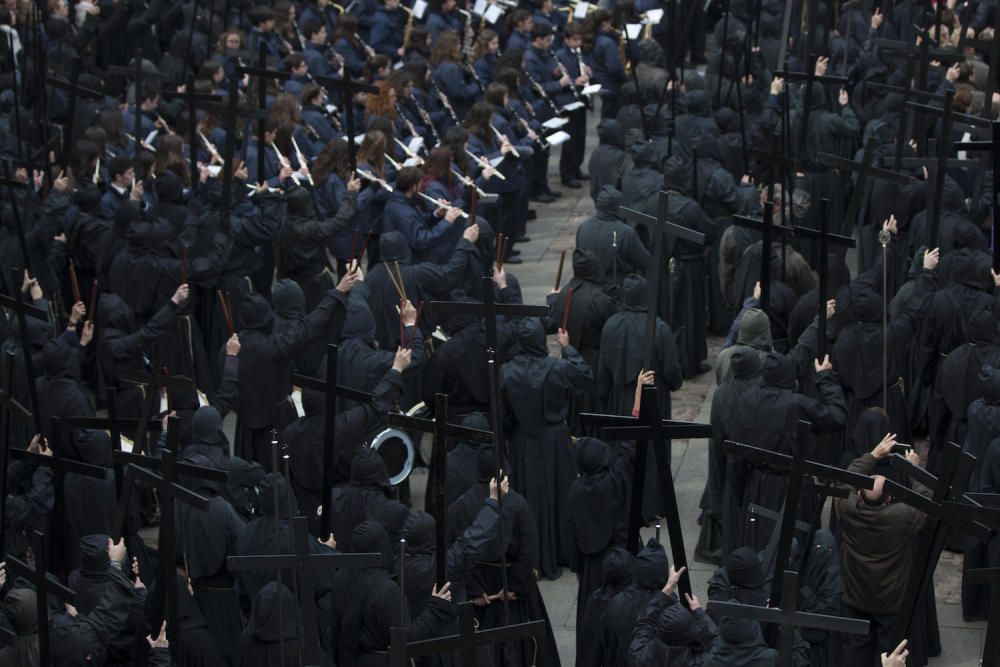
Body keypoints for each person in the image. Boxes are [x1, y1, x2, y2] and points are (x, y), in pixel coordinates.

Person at [500, 317, 593, 578]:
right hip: (555, 441)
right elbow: (586, 375)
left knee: (529, 497)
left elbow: (502, 411)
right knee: (559, 495)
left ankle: (533, 554)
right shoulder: (559, 368)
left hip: (522, 443)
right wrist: (568, 348)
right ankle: (561, 550)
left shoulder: (506, 371)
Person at [834, 433, 928, 666]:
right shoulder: (901, 516)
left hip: (856, 595)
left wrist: (873, 455)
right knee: (892, 651)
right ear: (888, 499)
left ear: (860, 495)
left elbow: (844, 480)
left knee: (856, 651)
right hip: (891, 599)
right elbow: (927, 500)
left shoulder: (848, 509)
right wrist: (914, 469)